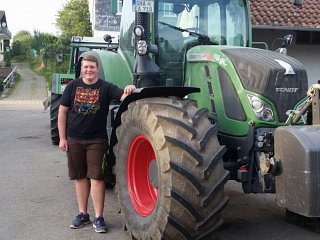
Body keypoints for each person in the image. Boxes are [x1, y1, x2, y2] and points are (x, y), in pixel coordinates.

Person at [58, 54, 136, 233]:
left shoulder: (105, 87)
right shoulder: (72, 86)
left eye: (92, 67)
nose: (88, 70)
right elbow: (62, 113)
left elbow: (123, 96)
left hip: (97, 140)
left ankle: (99, 217)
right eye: (85, 67)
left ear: (97, 69)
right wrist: (62, 138)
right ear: (82, 69)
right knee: (79, 177)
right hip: (74, 139)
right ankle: (83, 214)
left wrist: (130, 88)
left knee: (97, 178)